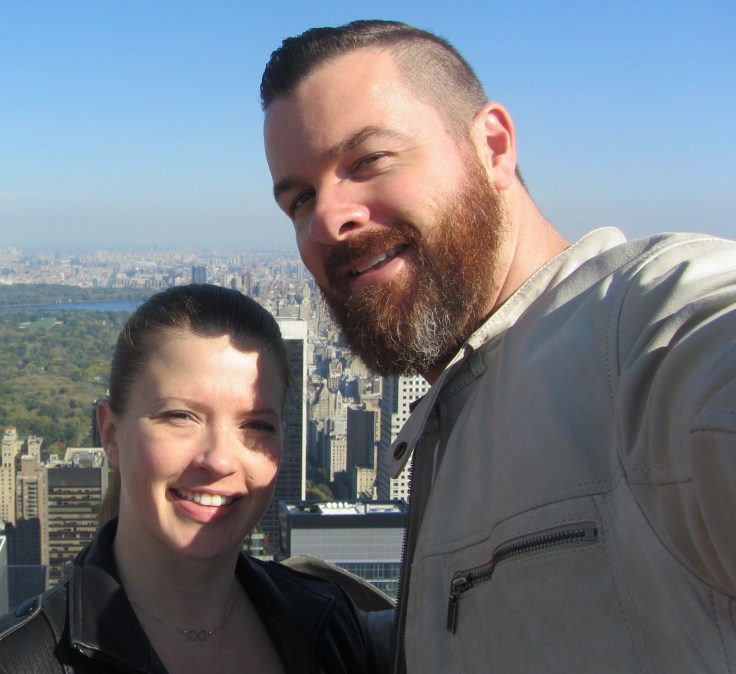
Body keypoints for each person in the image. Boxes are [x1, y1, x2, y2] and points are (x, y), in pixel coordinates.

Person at [261, 20, 736, 673]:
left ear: (493, 146)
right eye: (300, 199)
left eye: (368, 161)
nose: (327, 219)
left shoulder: (638, 328)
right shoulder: (459, 406)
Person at [0, 284, 380, 673]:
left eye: (257, 425)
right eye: (180, 416)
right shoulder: (9, 665)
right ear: (111, 434)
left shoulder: (327, 621)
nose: (220, 460)